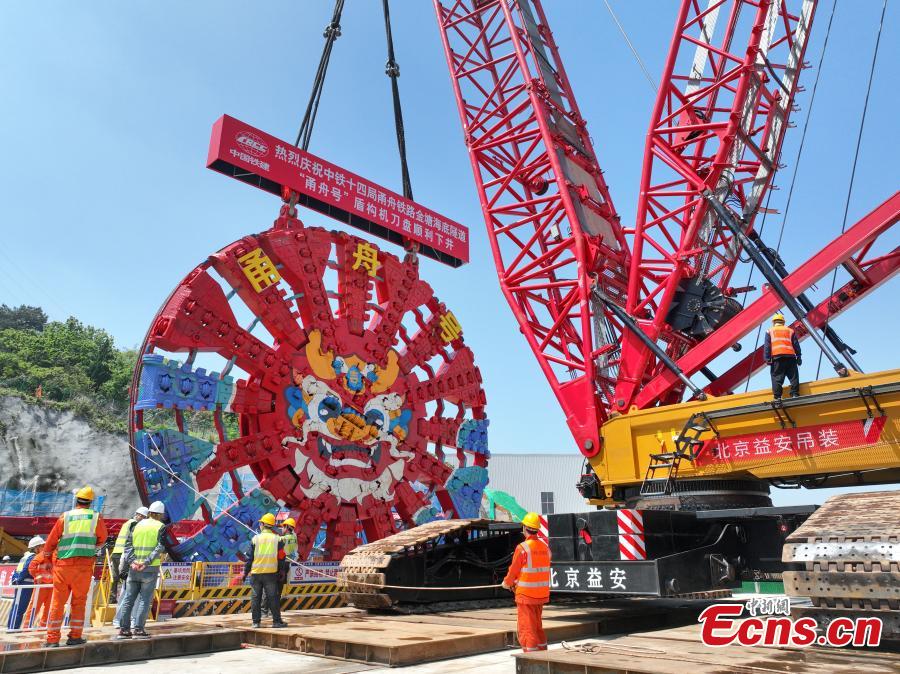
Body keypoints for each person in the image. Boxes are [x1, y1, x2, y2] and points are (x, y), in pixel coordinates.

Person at [43, 485, 108, 647]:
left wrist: (46, 558)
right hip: (84, 567)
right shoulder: (96, 517)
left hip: (63, 566)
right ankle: (75, 637)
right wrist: (91, 546)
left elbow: (51, 540)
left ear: (77, 500)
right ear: (91, 502)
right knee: (79, 602)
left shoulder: (65, 517)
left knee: (58, 603)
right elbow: (102, 538)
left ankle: (52, 640)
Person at [116, 501, 168, 639]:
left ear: (149, 512)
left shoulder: (137, 525)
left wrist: (133, 562)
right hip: (149, 569)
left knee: (128, 598)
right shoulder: (161, 527)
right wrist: (146, 562)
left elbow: (127, 545)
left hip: (134, 568)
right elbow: (160, 547)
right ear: (161, 514)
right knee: (145, 600)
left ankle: (124, 630)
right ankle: (138, 629)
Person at [502, 512, 551, 653]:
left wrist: (507, 583)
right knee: (537, 626)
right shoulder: (545, 548)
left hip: (526, 596)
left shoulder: (522, 548)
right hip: (540, 595)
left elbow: (514, 571)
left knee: (527, 628)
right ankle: (542, 653)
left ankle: (530, 657)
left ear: (525, 528)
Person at [243, 513, 287, 629]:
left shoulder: (255, 539)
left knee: (255, 598)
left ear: (262, 524)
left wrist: (245, 572)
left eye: (260, 523)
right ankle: (276, 622)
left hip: (256, 574)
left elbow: (249, 558)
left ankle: (256, 622)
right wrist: (282, 571)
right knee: (273, 597)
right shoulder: (278, 539)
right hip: (271, 574)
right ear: (272, 526)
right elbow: (282, 557)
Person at [110, 506, 149, 602]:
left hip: (116, 552)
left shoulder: (127, 523)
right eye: (144, 517)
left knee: (115, 577)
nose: (143, 520)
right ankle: (124, 598)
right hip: (125, 554)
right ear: (140, 515)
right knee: (125, 576)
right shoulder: (134, 524)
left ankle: (112, 598)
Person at [5, 536, 43, 630]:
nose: (43, 548)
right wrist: (19, 580)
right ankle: (14, 628)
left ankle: (11, 627)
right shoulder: (33, 557)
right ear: (36, 548)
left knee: (16, 606)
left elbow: (17, 570)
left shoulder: (25, 556)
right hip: (26, 585)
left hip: (21, 584)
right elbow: (26, 569)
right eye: (41, 546)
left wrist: (16, 580)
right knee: (20, 608)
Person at [764, 313, 802, 400]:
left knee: (777, 378)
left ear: (773, 322)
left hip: (777, 358)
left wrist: (767, 359)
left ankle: (777, 397)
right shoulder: (790, 331)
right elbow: (796, 345)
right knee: (793, 376)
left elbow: (767, 346)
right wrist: (799, 356)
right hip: (791, 357)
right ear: (783, 322)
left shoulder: (769, 331)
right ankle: (795, 394)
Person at [23, 537, 54, 629]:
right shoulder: (49, 554)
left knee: (36, 608)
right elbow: (32, 567)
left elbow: (32, 566)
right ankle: (40, 627)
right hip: (47, 585)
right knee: (44, 608)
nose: (34, 551)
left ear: (38, 547)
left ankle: (29, 628)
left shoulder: (41, 555)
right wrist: (37, 576)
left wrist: (37, 576)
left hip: (45, 586)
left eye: (34, 549)